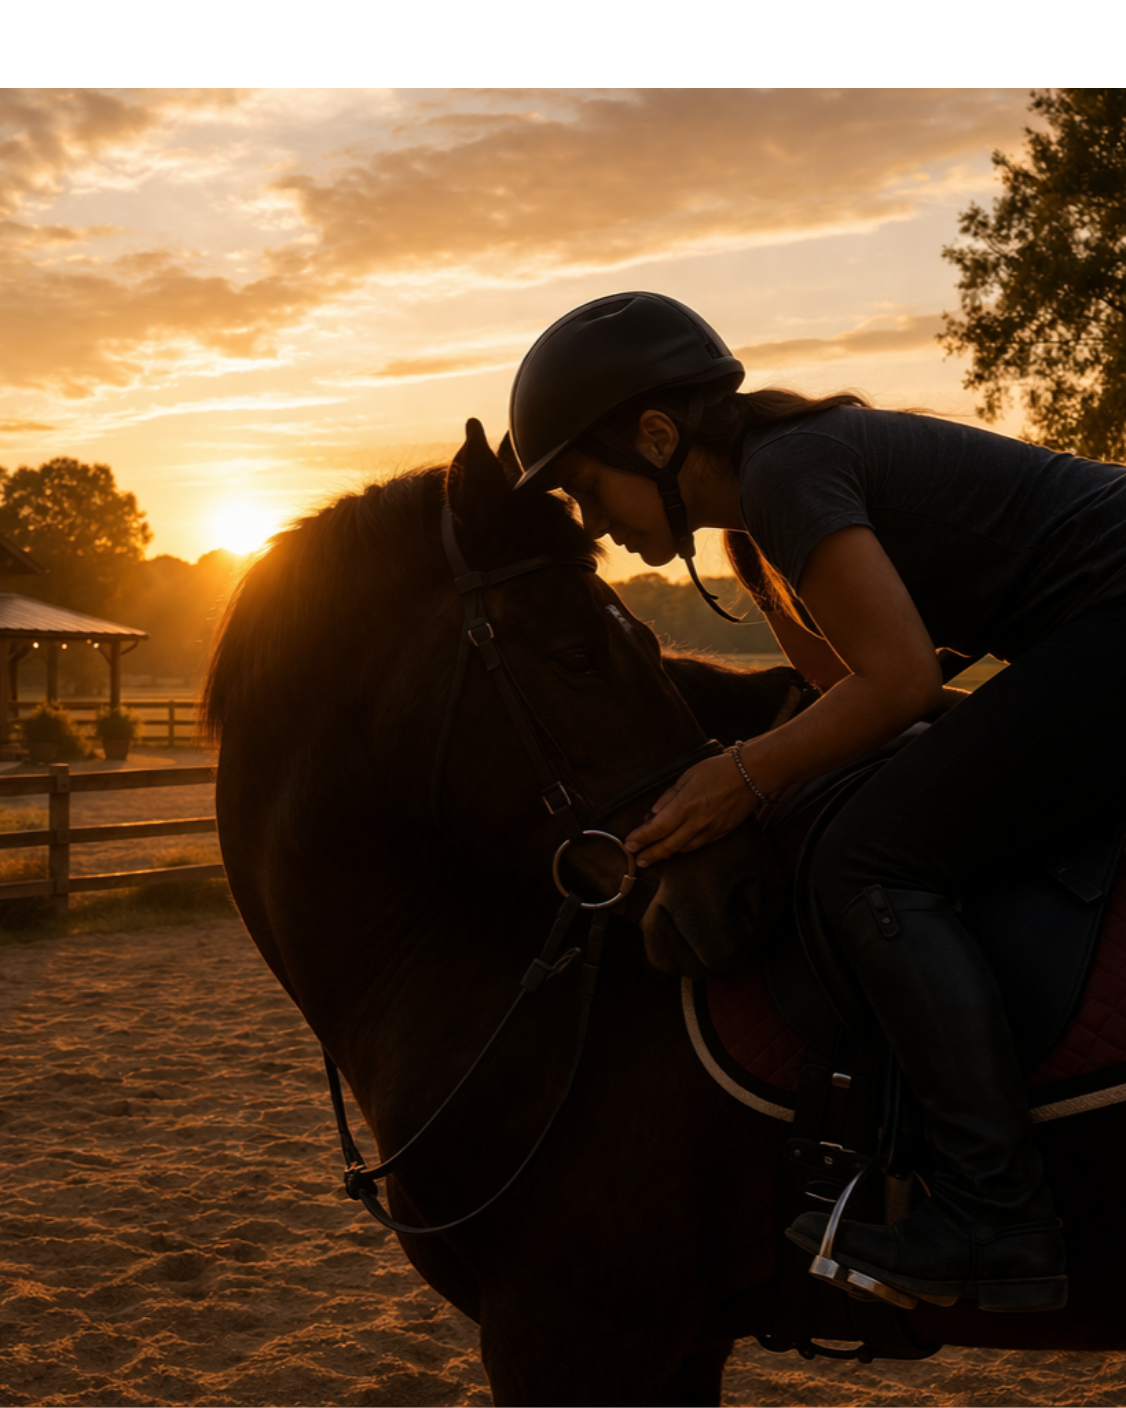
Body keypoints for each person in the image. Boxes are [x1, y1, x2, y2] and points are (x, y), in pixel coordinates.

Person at [507, 291, 1126, 1314]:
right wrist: (739, 776)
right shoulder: (760, 525)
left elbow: (899, 685)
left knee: (870, 862)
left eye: (586, 489)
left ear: (656, 436)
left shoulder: (788, 474)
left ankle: (995, 1215)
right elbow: (846, 702)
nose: (597, 527)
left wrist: (738, 775)